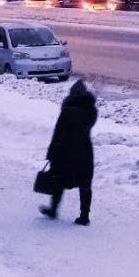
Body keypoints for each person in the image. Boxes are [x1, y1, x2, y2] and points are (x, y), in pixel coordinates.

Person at [40, 80, 98, 226]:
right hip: (84, 151)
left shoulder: (67, 111)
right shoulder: (91, 112)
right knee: (85, 183)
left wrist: (51, 153)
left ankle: (53, 209)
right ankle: (84, 216)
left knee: (58, 179)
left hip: (64, 151)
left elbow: (57, 133)